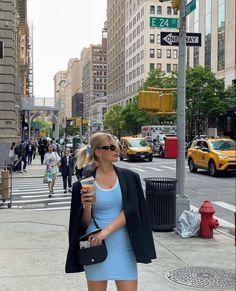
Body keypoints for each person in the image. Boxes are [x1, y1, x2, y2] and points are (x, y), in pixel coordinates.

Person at [65, 132, 156, 291]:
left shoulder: (129, 178)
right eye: (112, 147)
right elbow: (83, 224)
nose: (117, 150)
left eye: (117, 146)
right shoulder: (84, 183)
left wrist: (105, 232)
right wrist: (86, 206)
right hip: (93, 243)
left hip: (124, 243)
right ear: (99, 152)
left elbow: (132, 210)